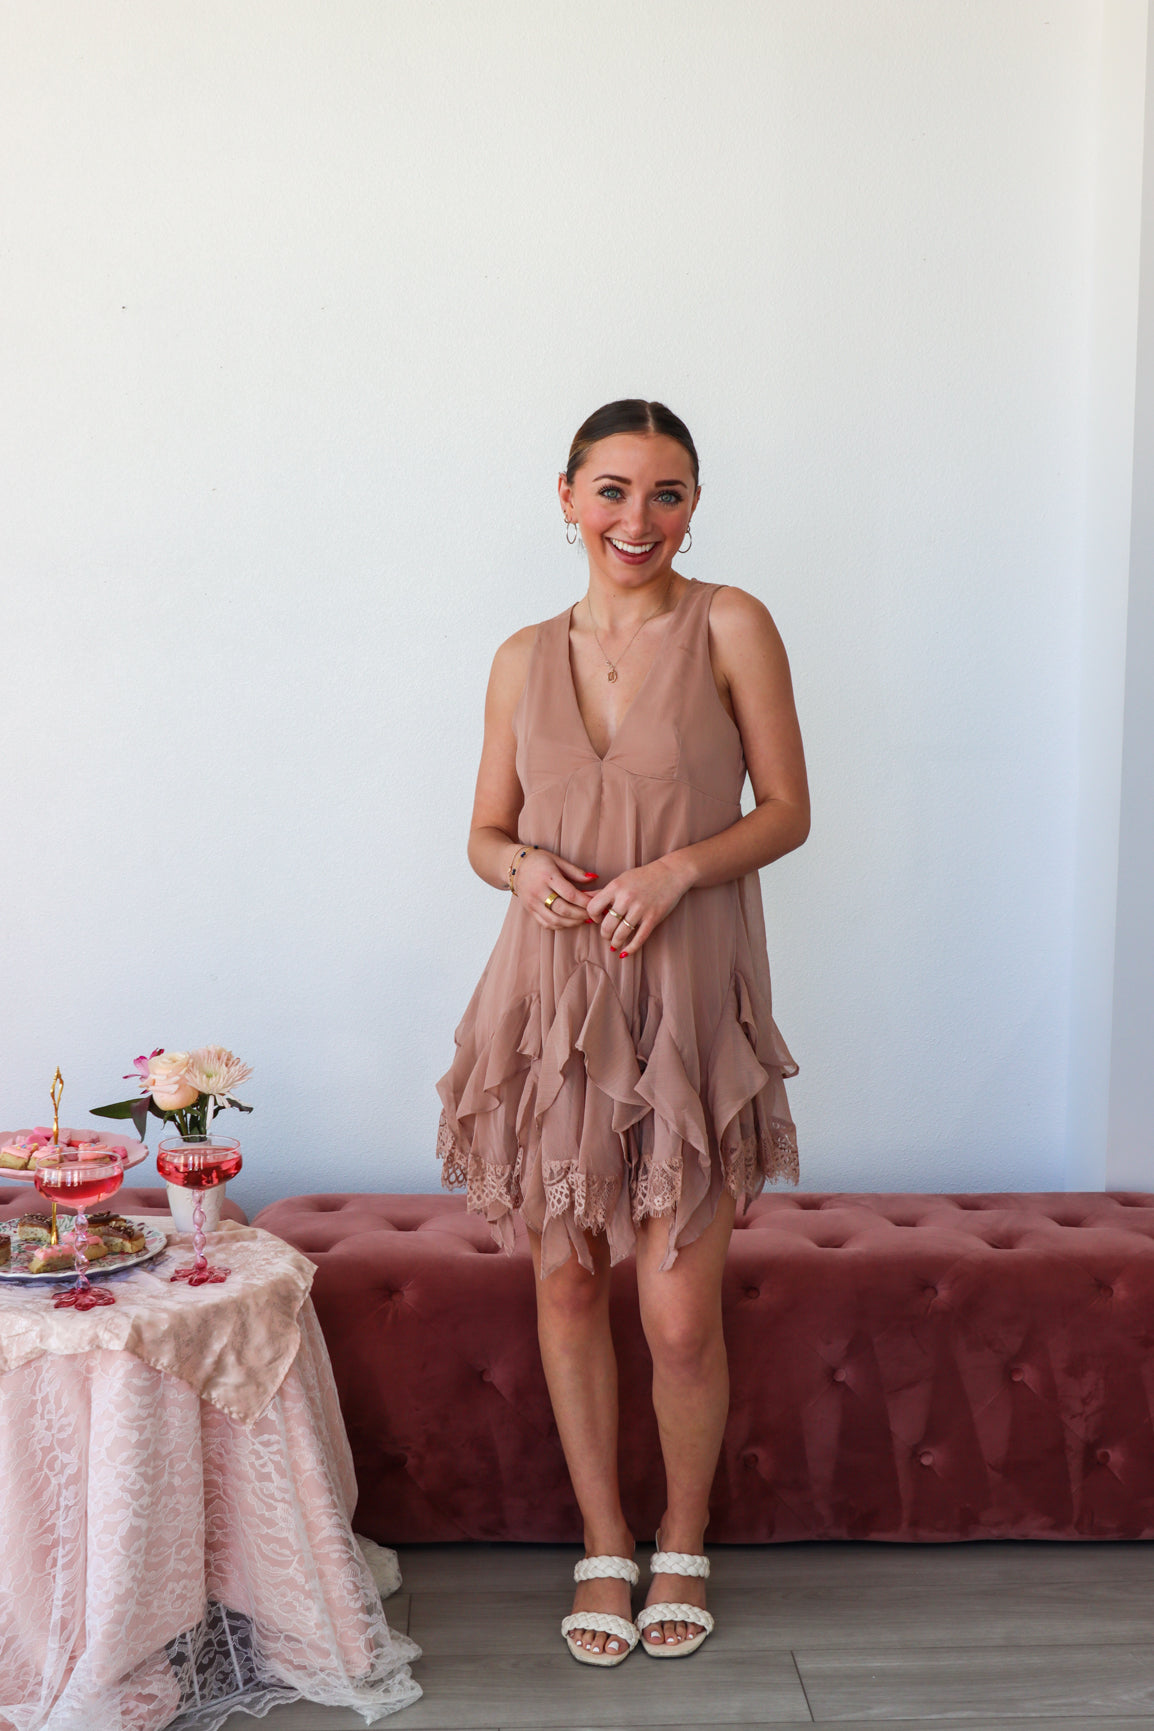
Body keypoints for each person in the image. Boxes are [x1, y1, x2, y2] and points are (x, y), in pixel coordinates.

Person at [436, 399, 809, 1665]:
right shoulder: (517, 655)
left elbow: (789, 811)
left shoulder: (732, 624)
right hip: (549, 1013)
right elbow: (482, 833)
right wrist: (519, 867)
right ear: (563, 497)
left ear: (693, 505)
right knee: (560, 1280)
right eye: (610, 490)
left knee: (677, 1316)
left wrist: (679, 870)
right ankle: (604, 1540)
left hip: (683, 1004)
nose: (634, 519)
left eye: (663, 493)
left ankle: (683, 1536)